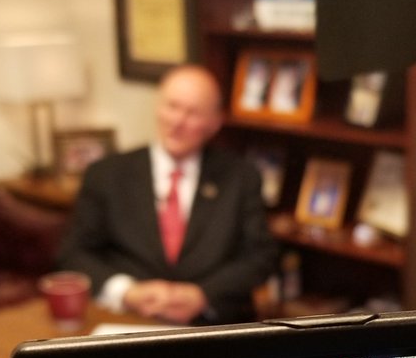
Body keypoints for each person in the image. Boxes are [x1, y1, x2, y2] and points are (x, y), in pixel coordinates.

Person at [57, 63, 278, 324]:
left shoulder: (241, 177)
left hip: (212, 323)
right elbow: (74, 253)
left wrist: (203, 295)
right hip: (129, 319)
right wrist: (127, 291)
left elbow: (261, 257)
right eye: (172, 106)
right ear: (157, 107)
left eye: (192, 113)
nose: (178, 122)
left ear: (214, 123)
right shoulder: (107, 174)